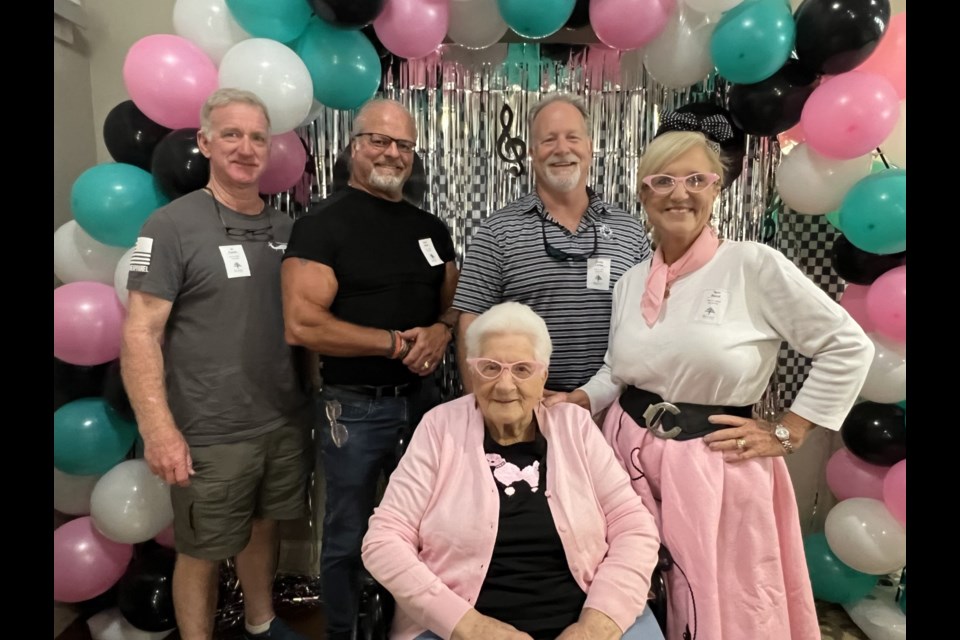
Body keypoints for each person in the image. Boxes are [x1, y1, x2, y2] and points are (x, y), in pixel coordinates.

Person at [551, 125, 875, 639]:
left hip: (717, 467)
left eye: (695, 179)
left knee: (720, 600)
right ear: (643, 193)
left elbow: (848, 346)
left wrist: (790, 430)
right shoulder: (633, 279)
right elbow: (618, 370)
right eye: (662, 180)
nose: (679, 193)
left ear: (715, 190)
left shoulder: (752, 264)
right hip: (626, 458)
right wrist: (576, 400)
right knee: (635, 589)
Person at [121, 88, 313, 640]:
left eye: (257, 136)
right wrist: (158, 430)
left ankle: (261, 621)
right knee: (201, 549)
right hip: (208, 430)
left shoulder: (285, 228)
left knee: (263, 526)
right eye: (232, 134)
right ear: (205, 142)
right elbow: (139, 332)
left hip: (281, 419)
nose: (246, 147)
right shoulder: (169, 226)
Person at [362, 302, 664, 640]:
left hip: (586, 619)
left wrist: (596, 626)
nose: (505, 385)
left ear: (543, 376)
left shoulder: (575, 426)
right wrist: (470, 627)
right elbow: (384, 540)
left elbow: (634, 527)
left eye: (522, 369)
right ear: (472, 371)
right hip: (460, 628)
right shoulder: (440, 427)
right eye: (490, 367)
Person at [281, 98, 460, 640]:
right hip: (353, 409)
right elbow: (301, 324)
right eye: (379, 141)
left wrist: (442, 330)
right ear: (353, 146)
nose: (392, 153)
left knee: (428, 527)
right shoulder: (319, 226)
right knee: (349, 535)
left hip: (426, 405)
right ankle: (343, 633)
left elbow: (454, 303)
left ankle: (413, 628)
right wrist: (388, 343)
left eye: (404, 145)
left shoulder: (430, 228)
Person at [452, 94, 650, 395]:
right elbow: (470, 322)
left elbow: (650, 317)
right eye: (548, 140)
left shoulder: (629, 231)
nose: (561, 149)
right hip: (523, 410)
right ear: (532, 152)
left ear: (589, 147)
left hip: (612, 409)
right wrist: (480, 405)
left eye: (572, 137)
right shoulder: (498, 231)